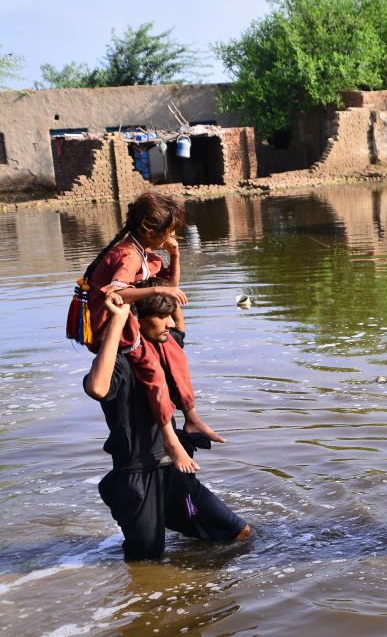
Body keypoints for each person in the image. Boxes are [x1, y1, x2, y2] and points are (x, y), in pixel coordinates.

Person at [84, 284, 250, 560]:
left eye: (170, 316)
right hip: (137, 476)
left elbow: (177, 324)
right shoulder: (121, 362)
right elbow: (97, 389)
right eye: (163, 317)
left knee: (238, 533)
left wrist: (172, 262)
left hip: (171, 470)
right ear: (138, 320)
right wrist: (118, 320)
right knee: (146, 563)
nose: (171, 323)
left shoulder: (160, 348)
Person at [78, 192, 197, 472]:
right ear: (147, 229)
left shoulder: (140, 251)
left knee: (172, 351)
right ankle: (170, 440)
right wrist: (156, 289)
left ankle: (191, 416)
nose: (171, 235)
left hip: (124, 320)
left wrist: (174, 254)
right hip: (112, 324)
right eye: (168, 231)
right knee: (153, 370)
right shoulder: (129, 255)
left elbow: (171, 294)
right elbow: (117, 293)